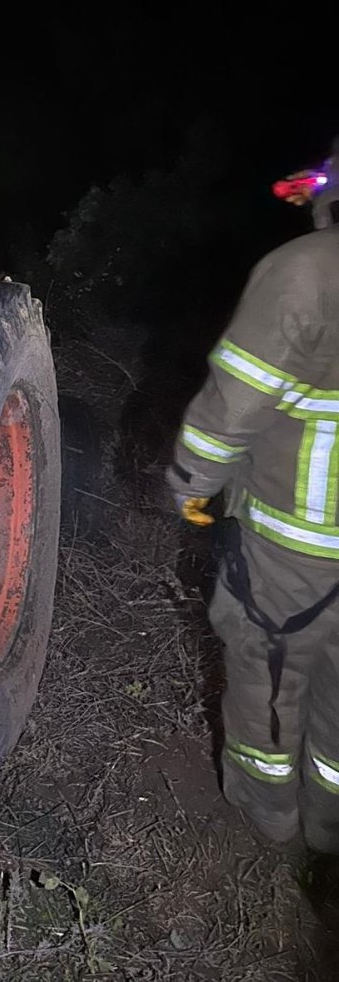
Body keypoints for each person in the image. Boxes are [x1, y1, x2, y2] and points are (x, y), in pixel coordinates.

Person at [167, 138, 339, 852]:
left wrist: (189, 488)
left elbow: (231, 408)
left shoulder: (306, 272)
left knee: (270, 680)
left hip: (294, 546)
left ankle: (268, 836)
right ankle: (329, 837)